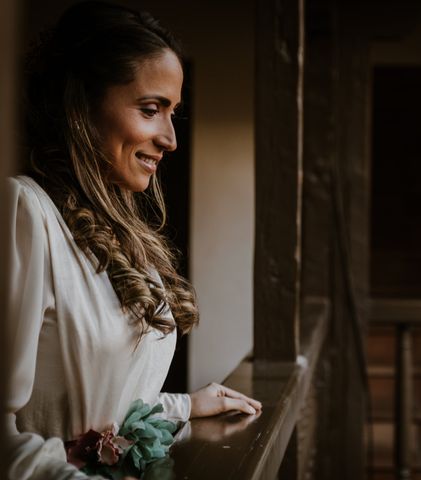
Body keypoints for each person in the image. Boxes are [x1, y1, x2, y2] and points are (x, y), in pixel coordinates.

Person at [6, 2, 261, 478]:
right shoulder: (24, 213)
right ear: (80, 105)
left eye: (173, 114)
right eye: (150, 109)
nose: (169, 138)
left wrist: (181, 406)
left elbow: (99, 405)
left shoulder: (123, 238)